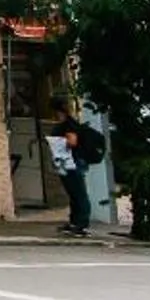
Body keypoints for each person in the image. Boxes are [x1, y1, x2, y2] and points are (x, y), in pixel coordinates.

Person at [48, 101, 105, 236]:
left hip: (74, 162)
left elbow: (72, 141)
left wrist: (60, 142)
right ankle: (75, 222)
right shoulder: (67, 124)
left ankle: (81, 224)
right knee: (74, 193)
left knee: (79, 193)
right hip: (68, 162)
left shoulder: (69, 125)